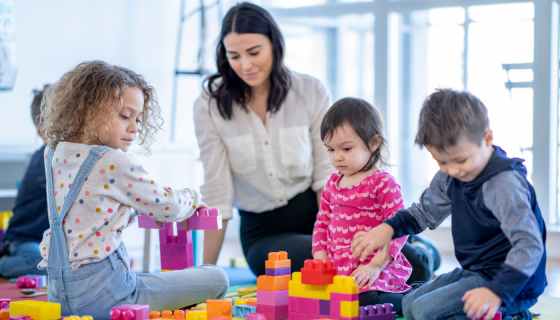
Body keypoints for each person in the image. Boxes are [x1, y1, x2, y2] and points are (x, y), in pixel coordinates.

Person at [194, 2, 439, 281]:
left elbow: (328, 173)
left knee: (405, 263)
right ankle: (416, 249)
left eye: (254, 52)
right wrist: (205, 276)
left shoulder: (309, 91)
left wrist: (340, 240)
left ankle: (418, 248)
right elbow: (217, 193)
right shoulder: (209, 105)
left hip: (326, 216)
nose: (245, 65)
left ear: (275, 45)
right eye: (234, 56)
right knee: (332, 272)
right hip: (266, 234)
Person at [38, 61, 228, 317]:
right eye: (124, 116)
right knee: (218, 277)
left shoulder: (54, 153)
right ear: (87, 111)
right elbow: (166, 206)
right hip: (108, 297)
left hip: (57, 297)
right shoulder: (112, 160)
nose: (134, 128)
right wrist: (192, 198)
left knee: (147, 277)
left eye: (138, 119)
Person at [351, 89, 547, 320]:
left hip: (512, 283)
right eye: (441, 162)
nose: (453, 170)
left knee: (425, 312)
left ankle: (511, 314)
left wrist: (497, 293)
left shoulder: (503, 184)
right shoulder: (452, 175)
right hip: (476, 272)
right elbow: (424, 213)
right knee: (411, 304)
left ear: (487, 139)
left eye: (460, 160)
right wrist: (388, 228)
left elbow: (529, 245)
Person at [312, 98, 414, 313]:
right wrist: (320, 260)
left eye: (346, 148)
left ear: (374, 143)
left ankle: (416, 297)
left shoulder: (383, 183)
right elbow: (322, 224)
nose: (337, 157)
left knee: (365, 301)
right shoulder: (332, 184)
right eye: (330, 150)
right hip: (341, 269)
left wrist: (375, 266)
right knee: (323, 302)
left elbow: (399, 228)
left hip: (377, 266)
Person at [0, 86, 50, 278]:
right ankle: (3, 263)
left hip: (48, 243)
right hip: (26, 239)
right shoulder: (45, 159)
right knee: (40, 266)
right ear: (41, 131)